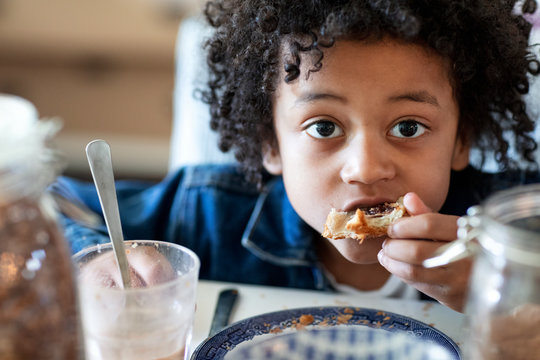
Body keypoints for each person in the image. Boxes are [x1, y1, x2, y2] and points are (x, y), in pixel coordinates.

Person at [52, 0, 540, 313]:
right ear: (271, 144)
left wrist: (511, 294)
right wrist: (92, 260)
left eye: (408, 127)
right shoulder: (209, 210)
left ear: (460, 140)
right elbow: (43, 205)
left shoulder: (512, 227)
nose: (366, 169)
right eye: (324, 127)